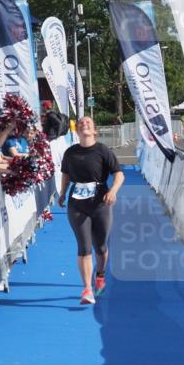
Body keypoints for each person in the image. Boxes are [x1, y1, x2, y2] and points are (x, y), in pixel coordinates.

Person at [57, 116, 124, 305]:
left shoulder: (103, 150)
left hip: (100, 203)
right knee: (84, 247)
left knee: (101, 247)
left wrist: (113, 191)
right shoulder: (70, 152)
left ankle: (100, 275)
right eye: (80, 123)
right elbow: (66, 174)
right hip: (77, 203)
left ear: (94, 130)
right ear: (77, 130)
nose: (84, 124)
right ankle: (87, 288)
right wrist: (62, 193)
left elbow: (119, 174)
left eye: (88, 123)